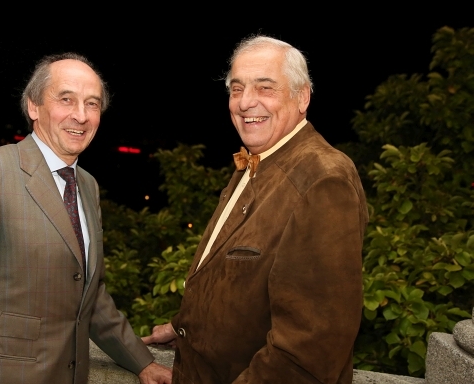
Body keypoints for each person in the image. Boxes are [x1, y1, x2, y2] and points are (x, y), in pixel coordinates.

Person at [0, 53, 172, 384]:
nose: (81, 115)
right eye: (66, 99)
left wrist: (142, 363)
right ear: (33, 106)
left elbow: (88, 295)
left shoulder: (87, 186)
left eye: (92, 104)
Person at [142, 36, 368, 383]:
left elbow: (310, 349)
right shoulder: (257, 161)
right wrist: (186, 325)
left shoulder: (323, 179)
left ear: (302, 97)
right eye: (237, 89)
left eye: (265, 88)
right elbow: (242, 284)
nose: (246, 102)